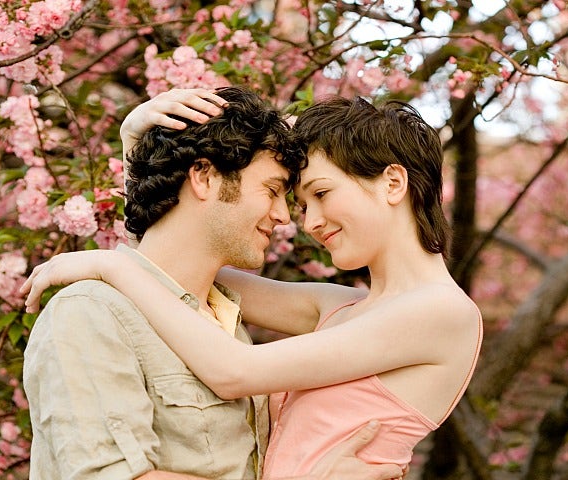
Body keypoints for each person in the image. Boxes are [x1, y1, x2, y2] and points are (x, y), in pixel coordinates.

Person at [21, 86, 404, 480]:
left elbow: (158, 252)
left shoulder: (223, 323)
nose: (283, 217)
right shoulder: (91, 311)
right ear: (203, 176)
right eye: (272, 190)